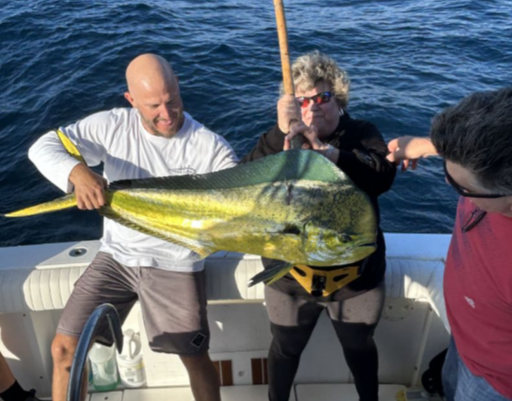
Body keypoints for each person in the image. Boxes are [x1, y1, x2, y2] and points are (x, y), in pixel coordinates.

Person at [29, 54, 238, 401]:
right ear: (131, 100)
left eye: (172, 101)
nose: (167, 114)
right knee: (64, 348)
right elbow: (43, 146)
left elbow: (233, 202)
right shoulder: (111, 125)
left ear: (179, 88)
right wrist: (76, 173)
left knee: (194, 356)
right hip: (117, 257)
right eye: (154, 105)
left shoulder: (211, 148)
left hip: (174, 264)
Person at [243, 51, 397, 401]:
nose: (314, 106)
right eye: (303, 99)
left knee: (359, 348)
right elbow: (246, 183)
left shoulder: (360, 133)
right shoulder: (278, 140)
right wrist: (278, 135)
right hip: (290, 276)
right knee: (285, 348)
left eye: (323, 97)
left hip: (356, 280)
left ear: (338, 101)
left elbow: (382, 175)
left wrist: (331, 155)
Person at [387, 88, 512, 401]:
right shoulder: (491, 165)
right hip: (464, 343)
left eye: (461, 186)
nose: (448, 183)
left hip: (495, 382)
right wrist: (426, 146)